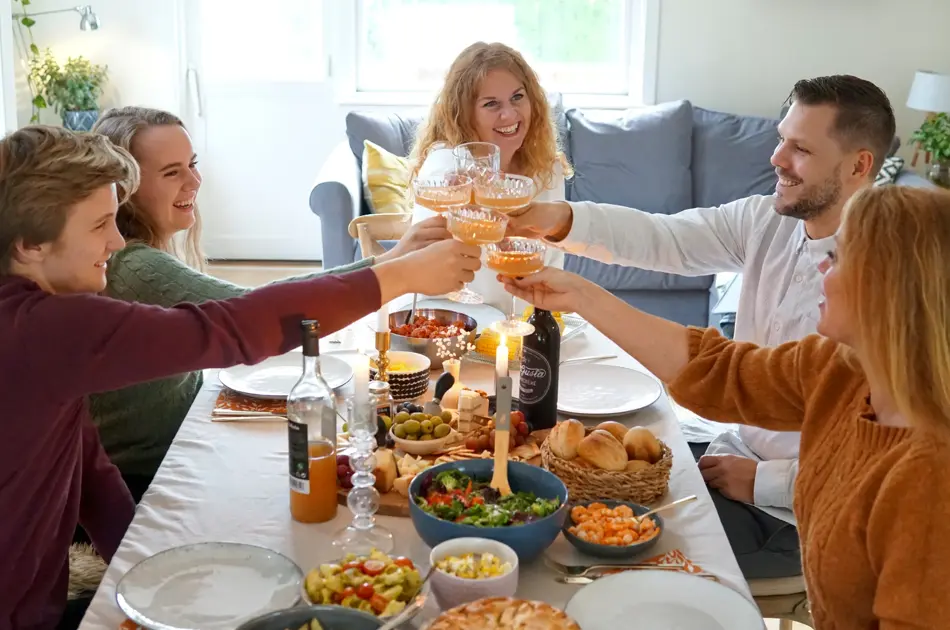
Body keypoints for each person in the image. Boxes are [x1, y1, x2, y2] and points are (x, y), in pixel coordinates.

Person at [0, 125, 479, 630]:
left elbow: (88, 466)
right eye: (100, 225)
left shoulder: (41, 322)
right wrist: (394, 277)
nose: (117, 240)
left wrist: (141, 573)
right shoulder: (45, 329)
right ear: (31, 242)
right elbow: (229, 329)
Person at [501, 184, 950, 629]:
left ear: (891, 292)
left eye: (839, 258)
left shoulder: (929, 478)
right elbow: (719, 371)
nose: (822, 267)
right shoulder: (841, 369)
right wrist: (581, 295)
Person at [507, 75, 896, 580]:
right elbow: (667, 238)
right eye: (781, 138)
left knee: (614, 557)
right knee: (569, 489)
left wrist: (768, 482)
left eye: (800, 148)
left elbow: (889, 461)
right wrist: (554, 218)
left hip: (796, 511)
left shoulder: (888, 285)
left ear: (858, 166)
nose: (776, 158)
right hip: (730, 450)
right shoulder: (769, 220)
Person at [86, 106, 452, 501]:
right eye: (171, 172)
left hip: (169, 449)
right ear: (123, 189)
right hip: (143, 480)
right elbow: (252, 310)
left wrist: (390, 259)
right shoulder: (135, 267)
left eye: (192, 164)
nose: (194, 180)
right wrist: (392, 269)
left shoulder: (137, 256)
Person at [409, 41, 572, 311]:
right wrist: (465, 188)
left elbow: (551, 263)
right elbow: (445, 175)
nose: (509, 114)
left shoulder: (547, 168)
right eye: (491, 104)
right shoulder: (447, 159)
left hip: (520, 324)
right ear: (464, 114)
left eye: (518, 97)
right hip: (452, 318)